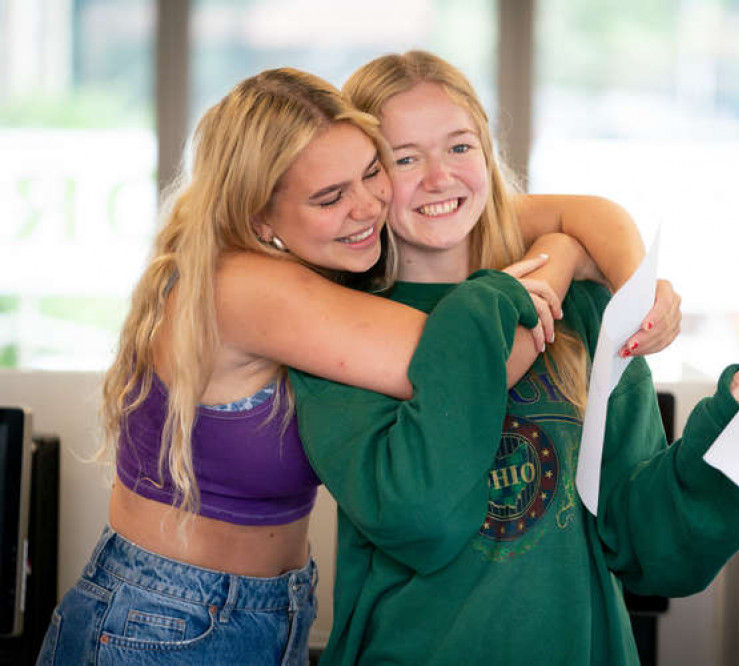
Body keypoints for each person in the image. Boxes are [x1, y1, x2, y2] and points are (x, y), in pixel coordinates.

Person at [36, 67, 680, 665]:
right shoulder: (247, 288)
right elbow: (467, 360)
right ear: (262, 218)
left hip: (261, 609)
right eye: (331, 195)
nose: (368, 206)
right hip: (167, 621)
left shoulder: (309, 253)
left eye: (373, 172)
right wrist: (562, 259)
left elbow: (560, 211)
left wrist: (629, 282)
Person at [290, 50, 739, 666]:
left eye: (460, 147)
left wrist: (730, 429)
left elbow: (643, 539)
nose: (440, 178)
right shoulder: (334, 328)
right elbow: (417, 518)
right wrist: (535, 269)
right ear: (369, 177)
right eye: (404, 158)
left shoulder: (584, 308)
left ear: (489, 153)